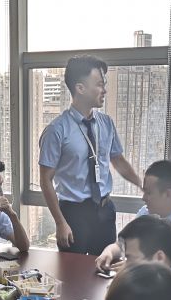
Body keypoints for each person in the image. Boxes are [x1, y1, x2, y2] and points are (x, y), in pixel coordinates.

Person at [38, 55, 141, 255]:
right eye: (99, 85)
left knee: (104, 266)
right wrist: (60, 223)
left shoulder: (106, 123)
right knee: (73, 270)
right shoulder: (57, 130)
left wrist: (141, 184)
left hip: (104, 209)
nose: (104, 90)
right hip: (73, 214)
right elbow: (45, 180)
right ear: (80, 88)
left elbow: (118, 160)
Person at [96, 160, 171, 269]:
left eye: (148, 193)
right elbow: (124, 244)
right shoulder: (146, 213)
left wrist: (139, 267)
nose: (143, 198)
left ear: (168, 194)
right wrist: (109, 252)